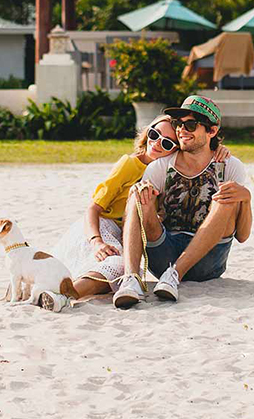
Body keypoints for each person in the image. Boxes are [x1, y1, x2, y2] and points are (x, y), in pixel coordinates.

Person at [113, 95, 252, 309]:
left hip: (208, 260)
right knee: (138, 193)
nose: (182, 130)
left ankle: (176, 274)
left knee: (226, 196)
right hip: (164, 256)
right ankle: (131, 278)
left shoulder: (230, 167)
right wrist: (144, 197)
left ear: (211, 131)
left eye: (191, 124)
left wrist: (246, 198)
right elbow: (146, 214)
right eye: (179, 124)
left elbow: (242, 236)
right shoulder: (161, 167)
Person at [41, 114, 182, 312]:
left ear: (176, 150)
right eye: (154, 134)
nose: (157, 143)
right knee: (119, 267)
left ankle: (62, 294)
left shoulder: (169, 175)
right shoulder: (129, 165)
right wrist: (96, 241)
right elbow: (93, 207)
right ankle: (62, 295)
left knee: (122, 272)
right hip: (101, 228)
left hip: (123, 237)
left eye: (167, 143)